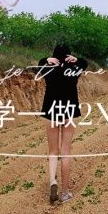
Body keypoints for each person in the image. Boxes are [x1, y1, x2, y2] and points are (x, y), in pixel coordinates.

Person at [39, 43, 88, 205]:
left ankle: (53, 181)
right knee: (65, 152)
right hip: (68, 112)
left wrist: (46, 60)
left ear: (54, 55)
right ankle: (65, 193)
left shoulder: (48, 68)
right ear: (68, 55)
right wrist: (76, 60)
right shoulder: (74, 69)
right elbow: (84, 63)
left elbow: (38, 65)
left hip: (52, 111)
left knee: (53, 152)